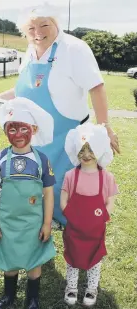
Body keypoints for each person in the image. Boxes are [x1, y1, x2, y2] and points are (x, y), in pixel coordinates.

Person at [0, 4, 120, 227]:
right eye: (31, 28)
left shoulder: (74, 48)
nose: (38, 32)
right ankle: (47, 221)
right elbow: (23, 91)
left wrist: (105, 126)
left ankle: (75, 233)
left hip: (68, 136)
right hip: (37, 137)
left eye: (44, 25)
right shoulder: (30, 52)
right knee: (40, 184)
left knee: (68, 188)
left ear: (56, 23)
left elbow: (97, 87)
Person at [0, 97, 56, 309]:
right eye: (11, 129)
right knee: (10, 260)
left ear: (33, 129)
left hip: (34, 223)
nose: (17, 135)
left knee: (34, 261)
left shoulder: (41, 160)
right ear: (5, 130)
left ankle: (32, 298)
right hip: (7, 222)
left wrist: (46, 223)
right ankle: (9, 296)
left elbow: (49, 193)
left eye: (23, 129)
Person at [61, 123, 118, 306]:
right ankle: (71, 287)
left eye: (91, 150)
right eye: (82, 150)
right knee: (72, 256)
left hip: (95, 229)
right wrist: (69, 214)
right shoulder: (71, 175)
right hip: (74, 228)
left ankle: (91, 289)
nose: (86, 155)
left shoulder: (106, 177)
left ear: (100, 150)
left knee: (94, 258)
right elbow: (64, 198)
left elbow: (110, 202)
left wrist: (101, 218)